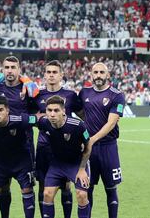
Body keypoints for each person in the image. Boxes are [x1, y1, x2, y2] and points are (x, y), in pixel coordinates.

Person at [0, 56, 37, 218]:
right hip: (2, 147)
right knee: (1, 188)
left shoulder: (28, 88)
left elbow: (37, 109)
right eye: (6, 67)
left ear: (19, 70)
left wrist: (28, 81)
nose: (10, 70)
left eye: (13, 67)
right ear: (2, 70)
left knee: (27, 188)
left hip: (24, 147)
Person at [34, 60, 83, 218]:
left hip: (65, 149)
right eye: (48, 72)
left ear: (61, 75)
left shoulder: (70, 95)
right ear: (44, 75)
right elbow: (31, 117)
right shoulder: (37, 96)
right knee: (43, 187)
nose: (51, 75)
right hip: (43, 147)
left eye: (55, 72)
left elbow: (83, 116)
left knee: (66, 186)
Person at [78, 63, 125, 218]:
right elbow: (81, 112)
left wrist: (92, 139)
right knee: (87, 188)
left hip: (108, 147)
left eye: (101, 72)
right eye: (95, 72)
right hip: (89, 149)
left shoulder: (116, 95)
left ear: (108, 75)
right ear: (91, 74)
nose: (98, 75)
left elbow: (111, 123)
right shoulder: (84, 93)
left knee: (110, 188)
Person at [36, 95, 93, 218]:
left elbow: (88, 147)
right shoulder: (44, 122)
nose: (52, 114)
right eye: (49, 110)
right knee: (47, 194)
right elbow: (26, 120)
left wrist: (82, 169)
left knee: (82, 195)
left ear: (63, 111)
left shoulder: (78, 125)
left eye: (56, 110)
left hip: (76, 164)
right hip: (57, 164)